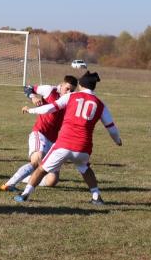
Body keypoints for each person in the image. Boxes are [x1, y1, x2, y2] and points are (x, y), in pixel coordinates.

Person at [14, 71, 122, 205]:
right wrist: (118, 141)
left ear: (81, 85)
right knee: (85, 169)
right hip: (83, 147)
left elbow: (50, 108)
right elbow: (111, 128)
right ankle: (96, 197)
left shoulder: (71, 96)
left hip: (64, 144)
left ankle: (25, 194)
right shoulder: (100, 104)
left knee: (42, 169)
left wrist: (31, 110)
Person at [0, 75, 79, 191]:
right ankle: (9, 184)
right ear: (61, 85)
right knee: (37, 160)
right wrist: (33, 97)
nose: (68, 92)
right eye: (67, 88)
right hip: (40, 133)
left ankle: (25, 178)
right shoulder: (49, 90)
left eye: (71, 90)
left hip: (54, 140)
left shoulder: (70, 99)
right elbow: (28, 87)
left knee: (52, 180)